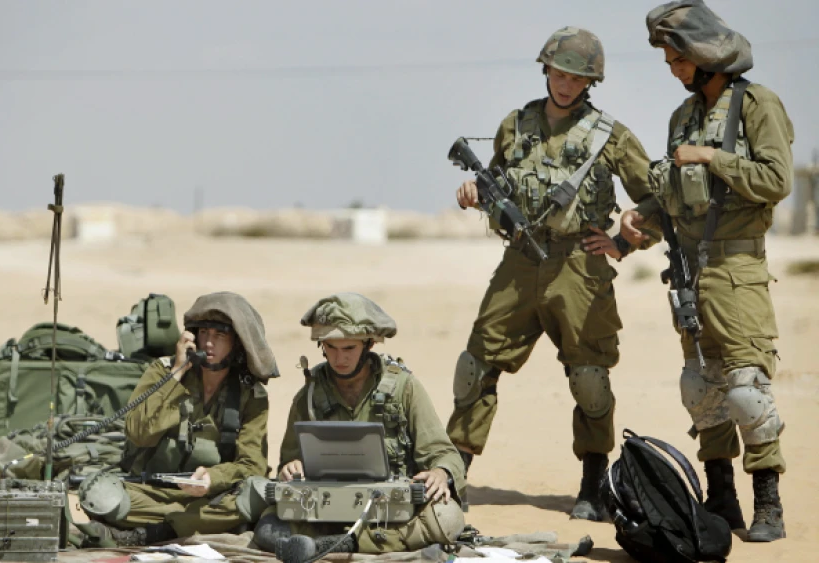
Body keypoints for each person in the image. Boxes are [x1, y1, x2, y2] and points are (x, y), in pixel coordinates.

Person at [444, 27, 659, 521]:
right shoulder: (514, 125)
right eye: (560, 73)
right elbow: (492, 182)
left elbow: (657, 198)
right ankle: (454, 473)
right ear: (546, 70)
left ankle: (592, 482)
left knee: (589, 378)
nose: (566, 84)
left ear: (591, 81)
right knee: (476, 367)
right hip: (519, 263)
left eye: (577, 77)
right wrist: (473, 194)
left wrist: (625, 240)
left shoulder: (612, 135)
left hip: (580, 267)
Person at [619, 0, 793, 542]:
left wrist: (711, 158)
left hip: (738, 269)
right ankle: (723, 500)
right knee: (703, 390)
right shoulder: (683, 118)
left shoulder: (757, 105)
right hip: (691, 275)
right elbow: (674, 199)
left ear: (702, 54)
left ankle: (769, 504)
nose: (672, 69)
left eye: (677, 59)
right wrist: (632, 227)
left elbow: (776, 180)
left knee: (746, 389)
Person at [253, 293, 466, 563]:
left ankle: (336, 544)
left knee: (447, 518)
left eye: (349, 348)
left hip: (390, 511)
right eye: (331, 347)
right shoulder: (309, 395)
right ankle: (340, 542)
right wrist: (291, 467)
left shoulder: (404, 388)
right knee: (268, 525)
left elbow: (442, 451)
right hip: (325, 506)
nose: (339, 358)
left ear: (370, 344)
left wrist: (440, 471)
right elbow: (289, 462)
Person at [76, 291, 279, 546]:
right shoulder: (162, 371)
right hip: (150, 492)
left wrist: (213, 479)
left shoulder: (250, 395)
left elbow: (252, 465)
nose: (208, 343)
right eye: (203, 333)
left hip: (212, 498)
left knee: (257, 495)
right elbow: (139, 432)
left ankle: (150, 534)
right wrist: (177, 373)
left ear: (237, 343)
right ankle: (185, 526)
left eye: (219, 335)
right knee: (97, 494)